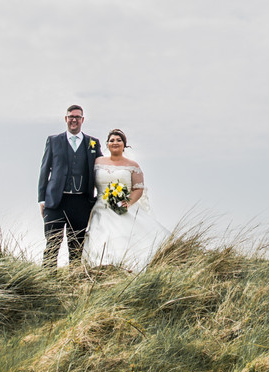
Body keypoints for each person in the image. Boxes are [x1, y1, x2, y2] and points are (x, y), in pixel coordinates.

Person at [82, 128, 170, 271]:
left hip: (123, 207)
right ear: (107, 144)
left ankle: (126, 268)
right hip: (101, 208)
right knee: (101, 237)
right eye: (112, 140)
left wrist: (127, 203)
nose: (115, 142)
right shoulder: (98, 162)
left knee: (125, 238)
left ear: (124, 144)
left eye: (118, 140)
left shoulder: (132, 165)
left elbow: (138, 189)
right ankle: (101, 269)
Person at [38, 104, 104, 267]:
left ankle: (73, 282)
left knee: (77, 246)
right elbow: (44, 169)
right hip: (55, 201)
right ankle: (47, 281)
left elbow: (102, 168)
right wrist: (41, 199)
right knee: (52, 243)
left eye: (77, 117)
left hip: (81, 202)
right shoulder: (54, 140)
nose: (74, 120)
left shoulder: (93, 143)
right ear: (66, 119)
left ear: (82, 120)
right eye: (71, 117)